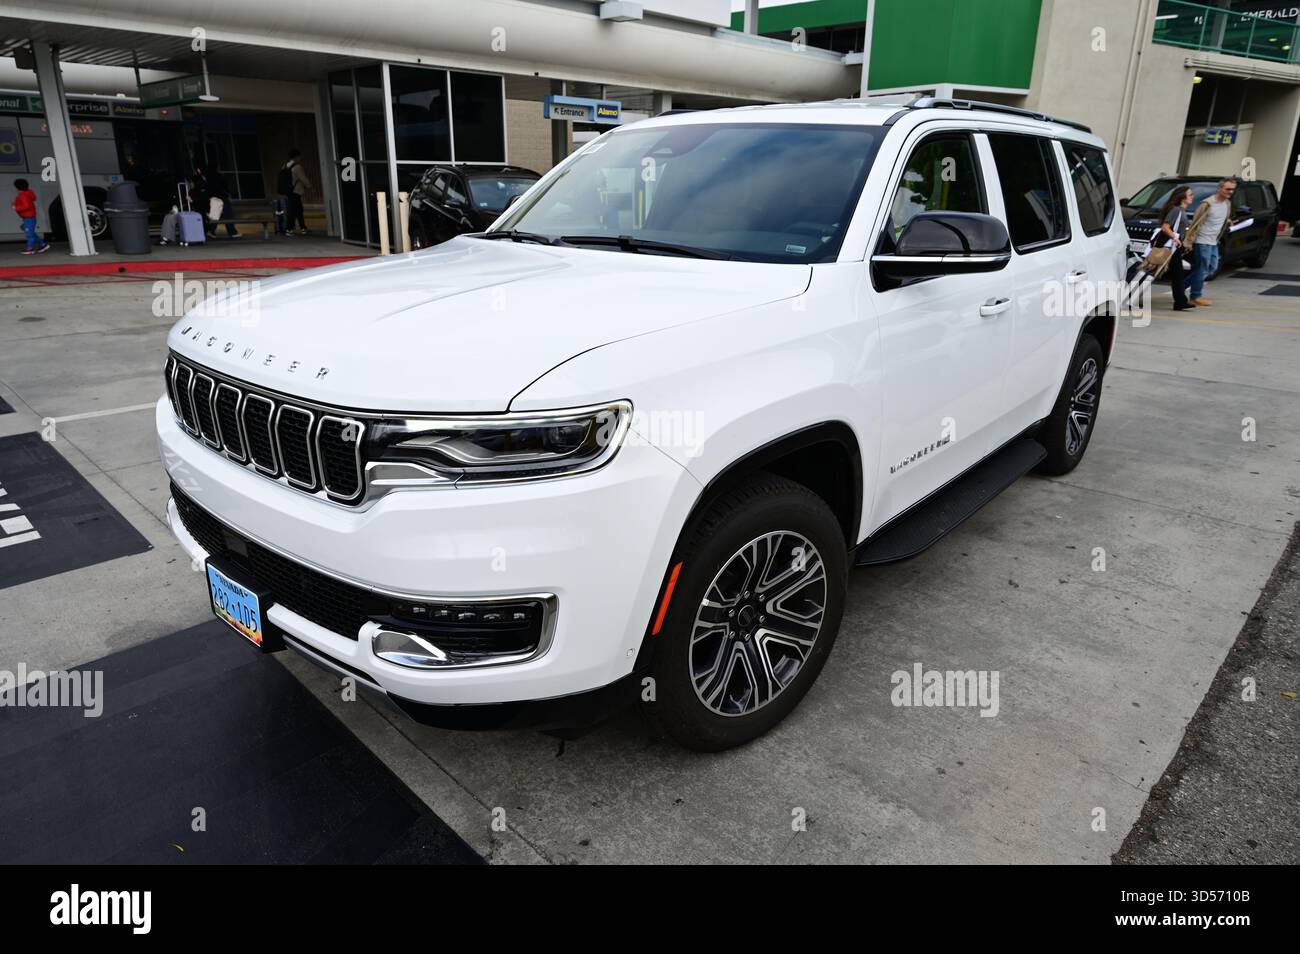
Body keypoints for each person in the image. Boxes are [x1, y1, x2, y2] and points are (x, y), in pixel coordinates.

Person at [1184, 177, 1236, 307]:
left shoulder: (1227, 203)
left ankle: (1179, 287)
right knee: (1202, 269)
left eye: (1233, 189)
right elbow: (1195, 223)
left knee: (1211, 268)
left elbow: (1220, 219)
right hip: (1202, 241)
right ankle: (1195, 296)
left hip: (1214, 241)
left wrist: (1228, 222)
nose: (1230, 192)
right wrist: (1189, 242)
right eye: (1227, 189)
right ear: (1219, 189)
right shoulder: (1207, 204)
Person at [1156, 186, 1194, 311]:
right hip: (1170, 247)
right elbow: (1165, 227)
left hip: (1176, 247)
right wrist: (1176, 239)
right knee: (1156, 272)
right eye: (1190, 194)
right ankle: (1180, 302)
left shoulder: (1181, 211)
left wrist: (1183, 244)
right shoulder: (1176, 210)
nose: (1192, 196)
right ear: (1183, 197)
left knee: (1177, 274)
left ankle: (1180, 301)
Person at [12, 178, 49, 254]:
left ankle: (30, 248)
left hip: (28, 217)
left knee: (29, 234)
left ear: (17, 187)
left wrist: (15, 207)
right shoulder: (28, 193)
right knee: (30, 232)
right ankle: (43, 244)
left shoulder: (22, 195)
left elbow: (26, 206)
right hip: (29, 217)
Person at [279, 149, 311, 235]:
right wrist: (309, 186)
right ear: (296, 157)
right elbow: (303, 178)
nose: (300, 158)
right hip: (296, 191)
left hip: (288, 191)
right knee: (295, 210)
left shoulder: (284, 166)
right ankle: (289, 229)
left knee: (297, 210)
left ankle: (303, 227)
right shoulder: (297, 167)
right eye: (299, 156)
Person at [200, 167, 240, 238]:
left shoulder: (208, 178)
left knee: (215, 215)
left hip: (215, 197)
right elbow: (223, 188)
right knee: (226, 214)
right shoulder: (216, 177)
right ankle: (232, 232)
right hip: (220, 197)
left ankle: (211, 231)